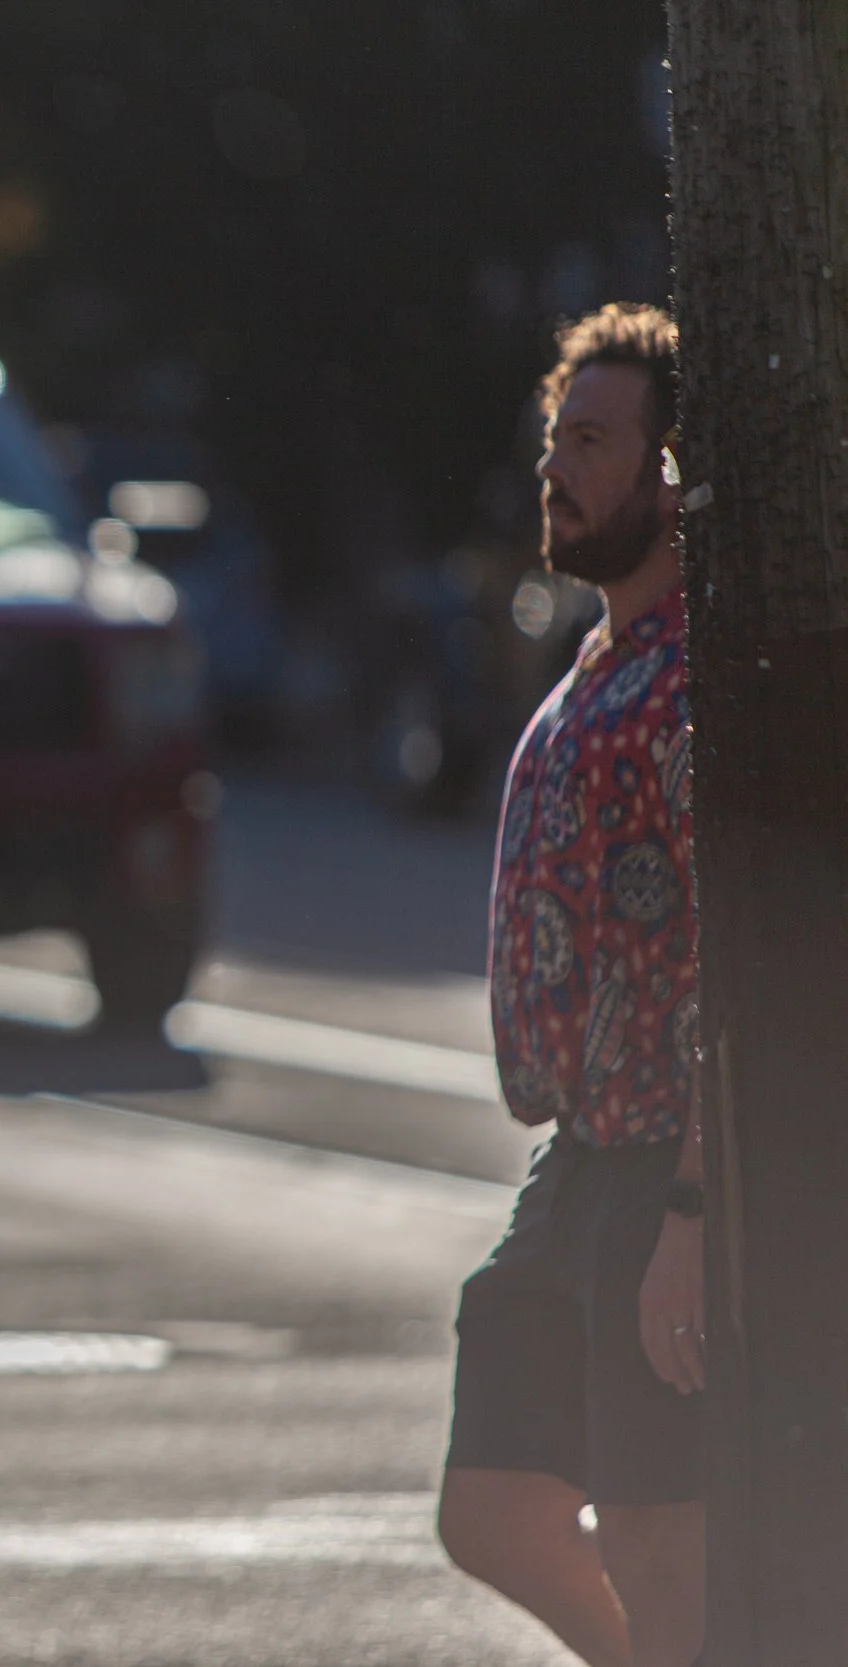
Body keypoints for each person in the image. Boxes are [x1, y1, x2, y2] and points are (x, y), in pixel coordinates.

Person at [436, 304, 702, 1667]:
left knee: (665, 1533)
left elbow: (745, 960)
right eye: (556, 439)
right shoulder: (596, 663)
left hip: (669, 1159)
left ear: (674, 474)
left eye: (594, 441)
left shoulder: (698, 685)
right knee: (491, 1505)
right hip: (578, 1158)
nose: (559, 468)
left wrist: (695, 1213)